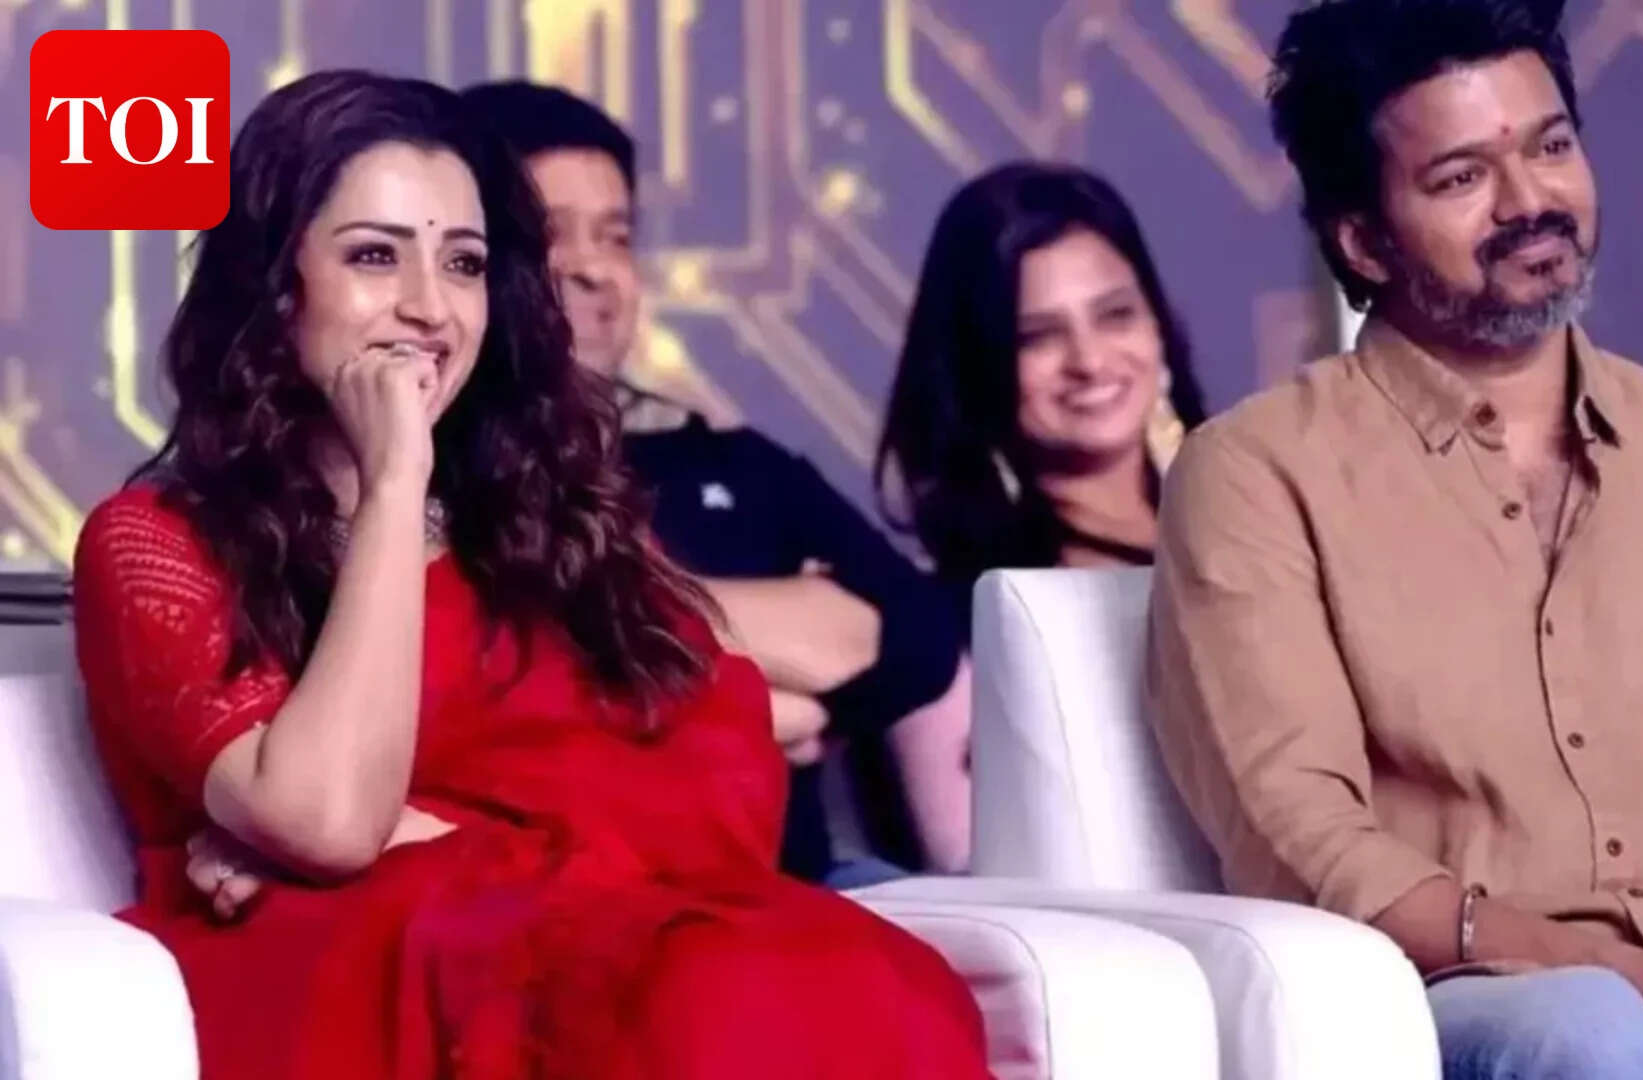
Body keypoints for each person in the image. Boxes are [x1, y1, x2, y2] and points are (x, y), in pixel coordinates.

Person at [71, 70, 987, 1080]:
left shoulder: (545, 523)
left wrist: (427, 826)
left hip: (605, 935)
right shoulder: (155, 541)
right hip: (344, 969)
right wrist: (393, 482)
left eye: (463, 264)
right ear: (274, 287)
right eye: (374, 255)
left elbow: (728, 781)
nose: (429, 308)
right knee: (718, 992)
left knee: (856, 971)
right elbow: (330, 821)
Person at [1146, 1, 1643, 1078]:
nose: (1530, 202)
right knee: (1589, 1032)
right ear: (1363, 239)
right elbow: (1301, 837)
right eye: (1461, 177)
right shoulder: (1255, 474)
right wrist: (1631, 977)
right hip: (1473, 1001)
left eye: (1552, 147)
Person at [457, 81, 972, 883]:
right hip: (562, 887)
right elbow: (494, 695)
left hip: (796, 882)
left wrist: (619, 641)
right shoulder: (430, 471)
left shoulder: (731, 461)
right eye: (552, 234)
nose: (593, 269)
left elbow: (916, 642)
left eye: (616, 236)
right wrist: (774, 690)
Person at [875, 161, 1206, 612]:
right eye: (1037, 337)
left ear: (1157, 323)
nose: (1089, 362)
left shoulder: (1255, 509)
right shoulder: (994, 607)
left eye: (1115, 315)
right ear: (975, 367)